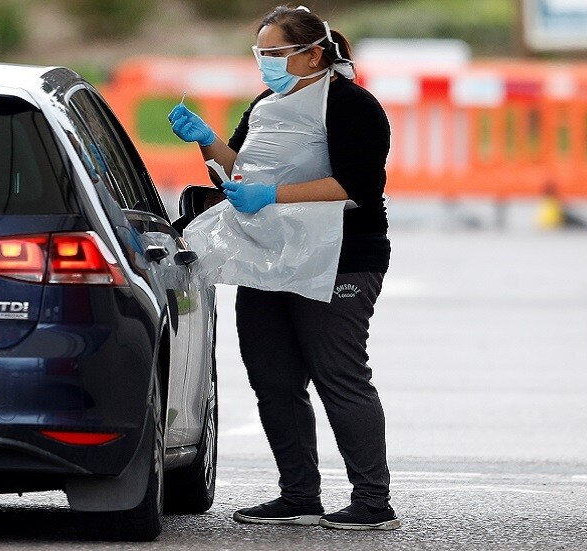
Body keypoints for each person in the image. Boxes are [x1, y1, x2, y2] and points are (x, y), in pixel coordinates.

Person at [167, 4, 398, 531]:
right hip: (268, 257)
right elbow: (243, 169)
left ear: (313, 53)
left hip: (342, 259)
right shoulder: (267, 104)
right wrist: (205, 138)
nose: (265, 64)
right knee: (272, 377)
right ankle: (298, 494)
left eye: (275, 53)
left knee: (338, 375)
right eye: (260, 54)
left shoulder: (351, 106)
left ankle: (372, 499)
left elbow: (357, 188)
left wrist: (272, 194)